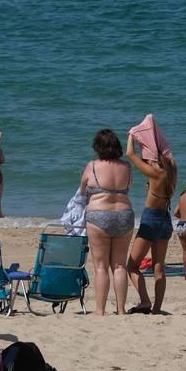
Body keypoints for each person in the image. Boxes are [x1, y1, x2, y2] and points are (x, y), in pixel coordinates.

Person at [79, 128, 133, 315]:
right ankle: (121, 309)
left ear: (97, 147)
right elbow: (129, 186)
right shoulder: (126, 167)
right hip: (124, 215)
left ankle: (100, 310)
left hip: (98, 215)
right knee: (120, 265)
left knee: (101, 266)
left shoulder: (92, 165)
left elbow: (82, 190)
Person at [125, 131, 178, 314]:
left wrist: (132, 134)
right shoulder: (172, 175)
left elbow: (130, 155)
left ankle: (145, 301)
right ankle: (157, 308)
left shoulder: (156, 174)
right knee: (158, 268)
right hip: (165, 220)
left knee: (131, 266)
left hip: (151, 219)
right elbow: (169, 158)